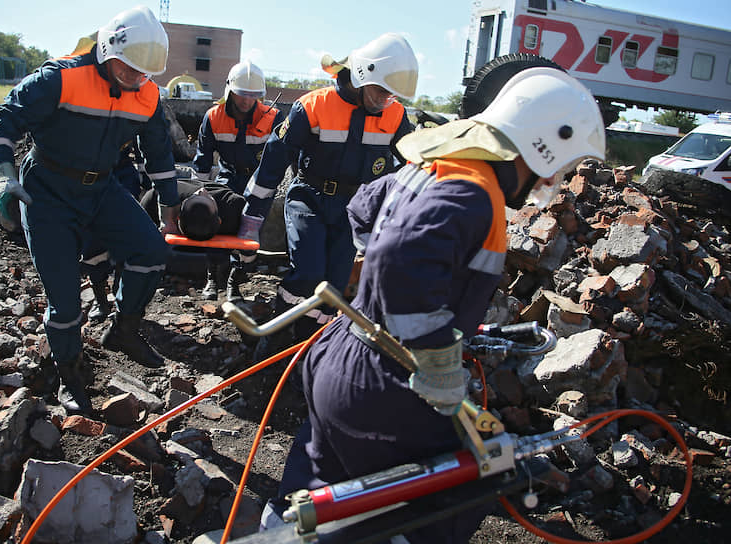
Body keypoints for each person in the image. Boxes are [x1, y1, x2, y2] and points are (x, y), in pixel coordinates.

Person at [260, 66, 607, 543]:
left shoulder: (441, 165)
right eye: (560, 167)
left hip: (340, 363)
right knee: (449, 496)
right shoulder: (472, 194)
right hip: (384, 386)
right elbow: (404, 263)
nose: (555, 179)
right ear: (542, 145)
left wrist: (450, 329)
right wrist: (436, 354)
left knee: (318, 493)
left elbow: (364, 210)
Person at [0, 6, 181, 414]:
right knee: (65, 299)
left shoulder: (147, 95)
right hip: (47, 191)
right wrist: (1, 177)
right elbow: (3, 121)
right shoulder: (60, 78)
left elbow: (158, 151)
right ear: (108, 49)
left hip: (101, 188)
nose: (135, 80)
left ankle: (124, 328)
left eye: (144, 74)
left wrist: (169, 203)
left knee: (151, 251)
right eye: (128, 70)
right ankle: (69, 373)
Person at [237, 33, 419, 356]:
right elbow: (272, 165)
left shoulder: (394, 115)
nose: (385, 100)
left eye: (392, 95)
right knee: (307, 273)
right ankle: (271, 341)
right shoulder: (313, 106)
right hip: (309, 198)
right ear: (363, 77)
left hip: (354, 209)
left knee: (332, 288)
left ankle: (305, 350)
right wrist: (252, 221)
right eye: (380, 92)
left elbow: (414, 163)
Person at [193, 60, 285, 302]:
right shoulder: (213, 117)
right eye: (242, 95)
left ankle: (236, 279)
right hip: (228, 178)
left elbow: (285, 155)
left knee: (248, 237)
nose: (246, 101)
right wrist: (199, 191)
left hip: (260, 181)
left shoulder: (273, 117)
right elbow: (203, 159)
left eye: (253, 96)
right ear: (230, 91)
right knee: (215, 224)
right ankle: (213, 276)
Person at [83, 140, 151, 322]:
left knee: (125, 233)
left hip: (122, 170)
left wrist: (145, 176)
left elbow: (145, 140)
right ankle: (100, 300)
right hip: (88, 171)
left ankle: (121, 294)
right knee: (91, 239)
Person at [140, 179, 245, 242]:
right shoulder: (234, 207)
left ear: (178, 216)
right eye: (208, 197)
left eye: (194, 196)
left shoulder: (156, 198)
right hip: (210, 188)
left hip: (180, 183)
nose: (201, 191)